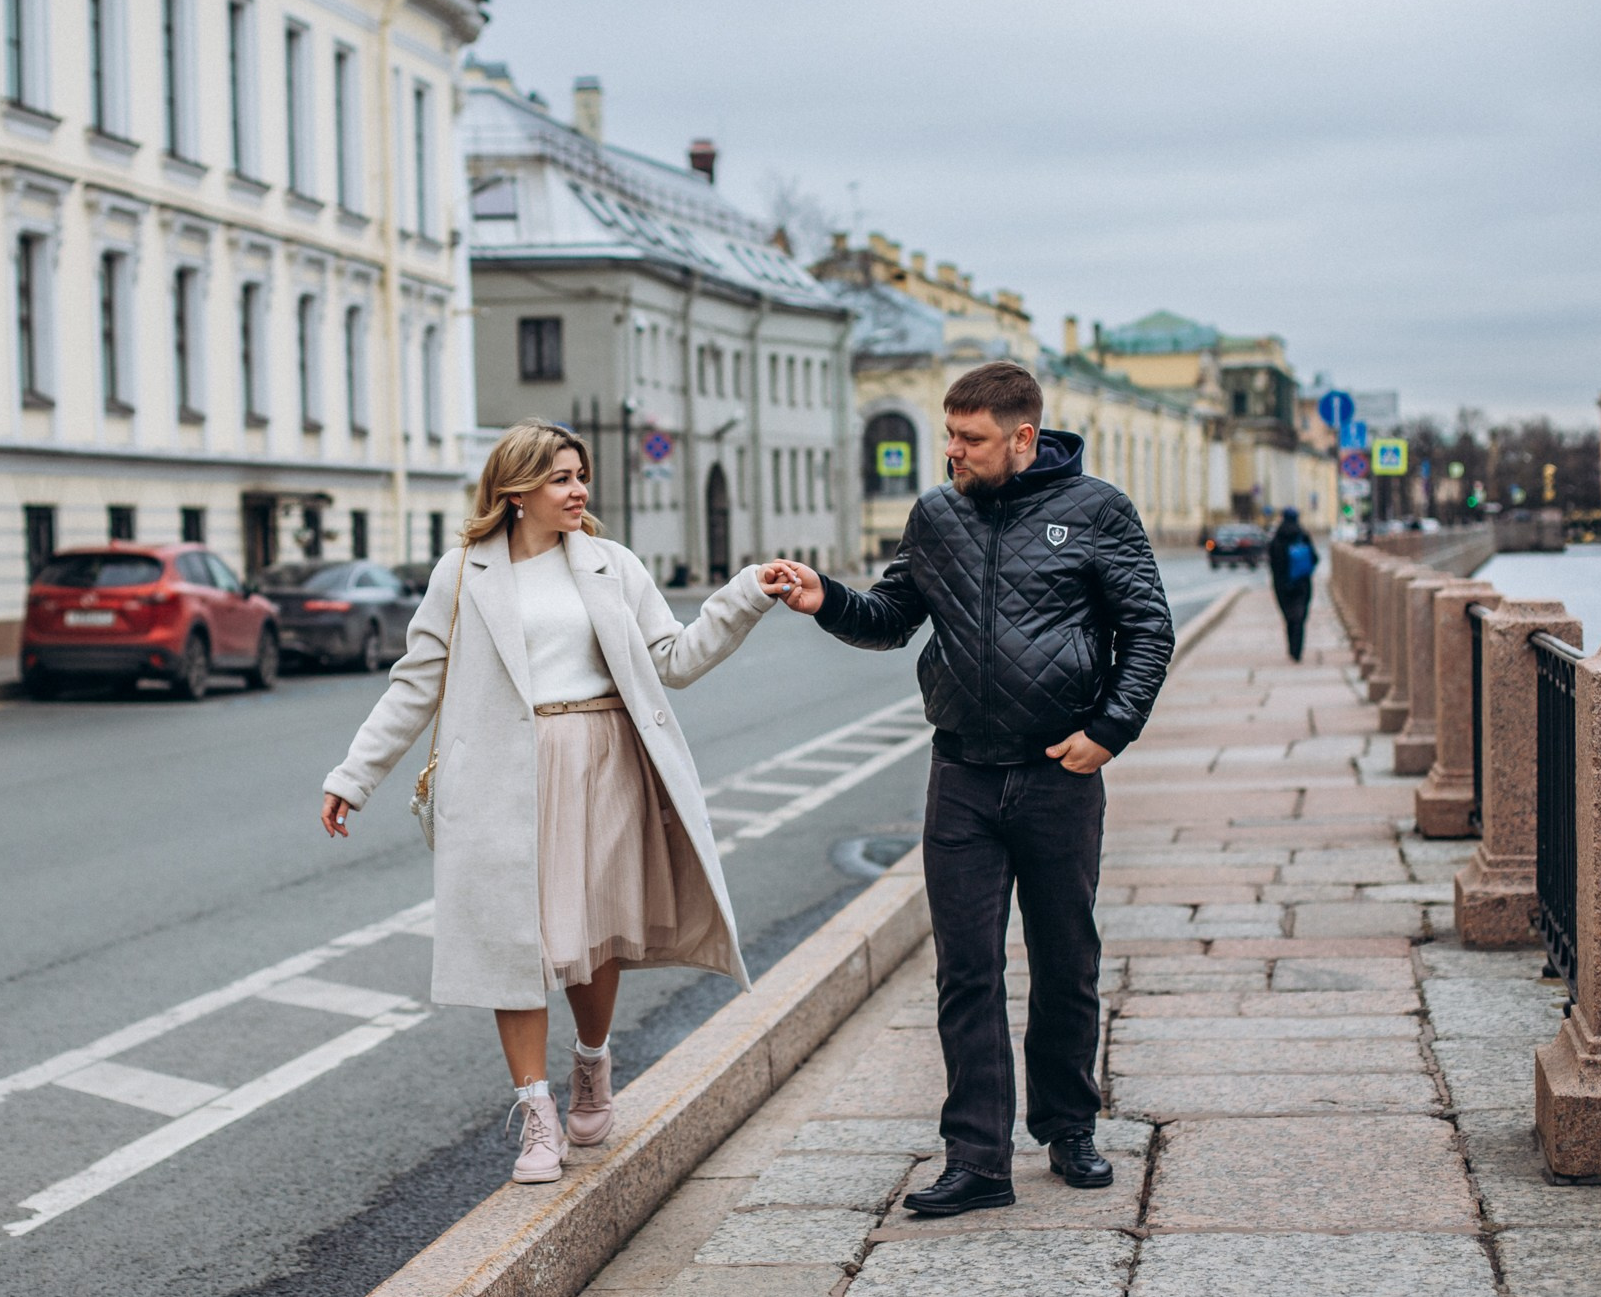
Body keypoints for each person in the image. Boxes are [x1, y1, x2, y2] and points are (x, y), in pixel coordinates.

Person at [320, 420, 783, 1186]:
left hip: (603, 762)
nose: (579, 491)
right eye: (562, 478)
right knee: (518, 942)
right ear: (517, 489)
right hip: (507, 772)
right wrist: (353, 775)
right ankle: (536, 1115)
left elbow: (676, 659)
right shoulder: (463, 573)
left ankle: (592, 1063)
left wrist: (744, 597)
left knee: (589, 935)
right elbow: (416, 684)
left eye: (581, 475)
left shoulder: (610, 564)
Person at [757, 362, 1173, 1216]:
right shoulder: (937, 516)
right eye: (949, 433)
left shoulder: (1097, 511)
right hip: (962, 777)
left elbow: (1148, 629)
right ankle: (976, 1158)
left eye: (970, 438)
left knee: (1066, 960)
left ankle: (1069, 1129)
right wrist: (822, 598)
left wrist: (1107, 734)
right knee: (967, 971)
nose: (952, 451)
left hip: (1059, 771)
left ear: (1022, 437)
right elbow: (890, 618)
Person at [1267, 506, 1318, 662]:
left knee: (1288, 616)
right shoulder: (1302, 535)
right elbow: (1315, 558)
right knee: (1300, 617)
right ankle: (1297, 650)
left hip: (1282, 584)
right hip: (1302, 582)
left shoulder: (1276, 537)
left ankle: (1291, 648)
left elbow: (1272, 561)